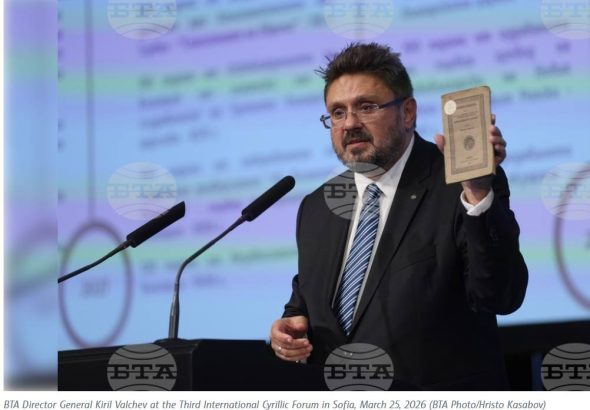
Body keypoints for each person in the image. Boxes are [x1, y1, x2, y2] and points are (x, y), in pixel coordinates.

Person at [269, 43, 528, 390]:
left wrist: (478, 193)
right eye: (338, 112)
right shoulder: (318, 206)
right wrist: (290, 327)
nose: (350, 124)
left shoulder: (460, 184)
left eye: (366, 107)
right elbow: (305, 298)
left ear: (407, 113)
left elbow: (500, 296)